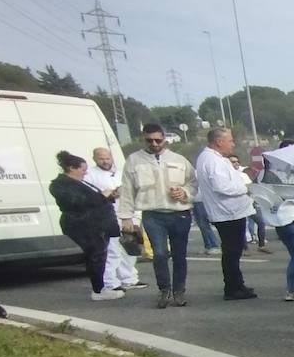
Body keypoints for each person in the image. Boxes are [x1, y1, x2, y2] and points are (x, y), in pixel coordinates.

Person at [119, 123, 196, 308]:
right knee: (160, 254)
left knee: (179, 255)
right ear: (143, 139)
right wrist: (126, 217)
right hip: (153, 214)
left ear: (164, 139)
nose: (154, 143)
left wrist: (185, 193)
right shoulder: (134, 160)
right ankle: (164, 290)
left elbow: (193, 183)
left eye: (158, 140)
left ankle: (179, 291)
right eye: (149, 140)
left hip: (179, 213)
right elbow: (127, 190)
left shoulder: (179, 159)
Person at [49, 151, 123, 301]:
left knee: (99, 254)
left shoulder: (80, 183)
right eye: (83, 169)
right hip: (83, 224)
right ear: (71, 168)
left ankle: (101, 287)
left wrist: (109, 196)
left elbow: (93, 199)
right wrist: (102, 196)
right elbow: (77, 201)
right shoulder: (59, 185)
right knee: (95, 255)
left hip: (98, 223)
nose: (86, 172)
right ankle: (98, 290)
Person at [195, 127, 257, 300]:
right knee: (231, 252)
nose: (233, 144)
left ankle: (237, 284)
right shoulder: (212, 160)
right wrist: (244, 188)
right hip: (227, 212)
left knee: (234, 251)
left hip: (231, 211)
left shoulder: (213, 158)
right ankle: (232, 288)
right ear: (219, 141)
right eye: (230, 140)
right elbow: (221, 186)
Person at [85, 147, 145, 292]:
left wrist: (135, 218)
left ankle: (129, 279)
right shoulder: (90, 175)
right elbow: (91, 197)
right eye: (101, 158)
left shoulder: (121, 173)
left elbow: (134, 193)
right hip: (107, 218)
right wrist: (110, 194)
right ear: (94, 159)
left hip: (128, 216)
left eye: (107, 158)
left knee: (130, 249)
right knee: (112, 252)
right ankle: (110, 283)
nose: (105, 161)